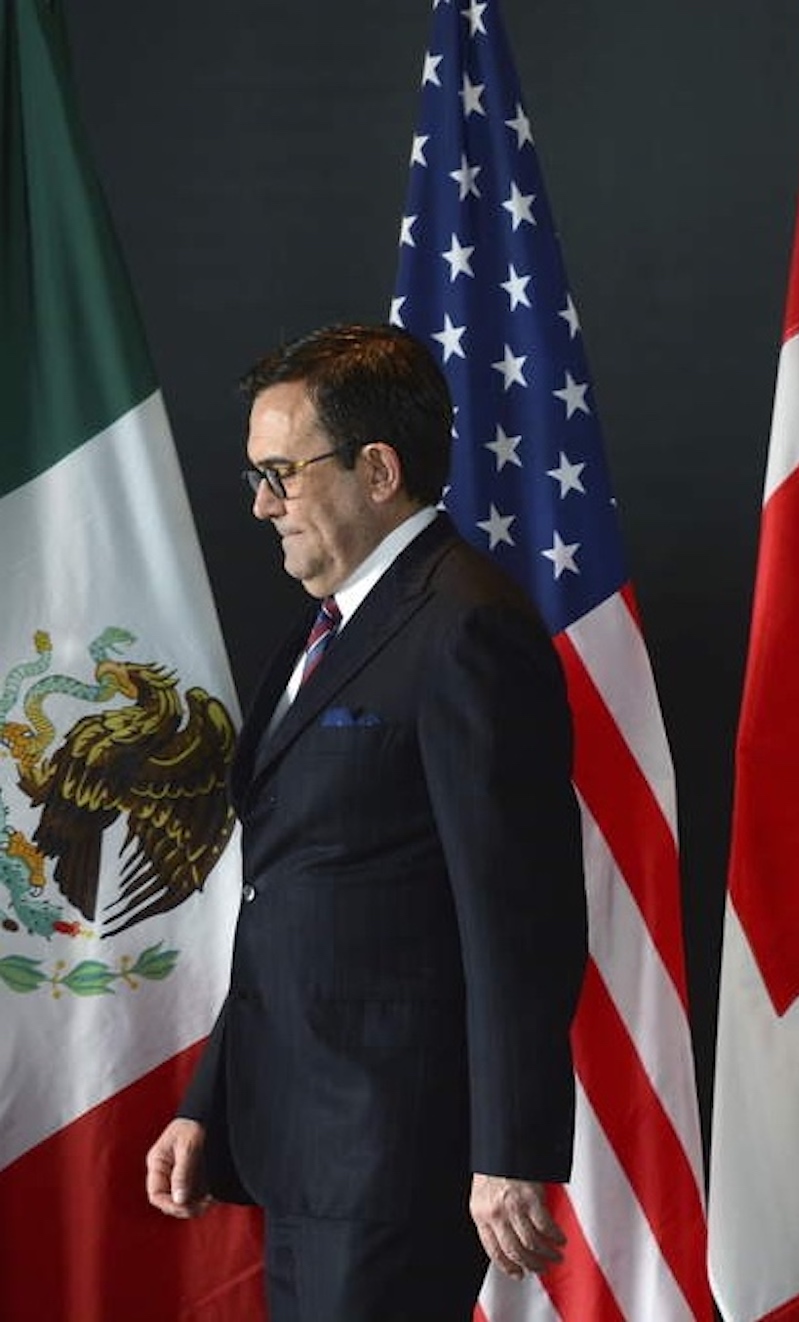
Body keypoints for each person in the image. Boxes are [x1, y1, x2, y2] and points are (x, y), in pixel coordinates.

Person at [142, 323, 588, 1320]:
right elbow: (295, 891)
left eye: (281, 474)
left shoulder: (466, 625)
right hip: (305, 1146)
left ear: (377, 470)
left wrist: (507, 1150)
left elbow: (520, 911)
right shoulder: (333, 628)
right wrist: (210, 1101)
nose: (262, 504)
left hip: (399, 1154)